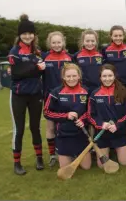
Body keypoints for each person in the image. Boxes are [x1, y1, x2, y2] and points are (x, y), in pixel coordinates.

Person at [9, 14, 46, 175]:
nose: (27, 36)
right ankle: (17, 163)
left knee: (35, 127)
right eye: (24, 33)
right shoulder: (14, 52)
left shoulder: (37, 51)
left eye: (30, 33)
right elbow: (16, 73)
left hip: (35, 94)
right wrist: (35, 69)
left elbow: (40, 70)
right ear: (20, 35)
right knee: (19, 129)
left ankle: (39, 158)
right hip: (18, 95)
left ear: (34, 35)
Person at [43, 63, 91, 170]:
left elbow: (91, 111)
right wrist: (66, 116)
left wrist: (83, 119)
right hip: (63, 135)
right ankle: (65, 154)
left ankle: (78, 154)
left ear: (79, 76)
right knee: (65, 168)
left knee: (86, 167)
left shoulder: (86, 91)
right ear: (63, 77)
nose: (71, 79)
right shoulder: (56, 92)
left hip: (81, 134)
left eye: (74, 76)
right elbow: (46, 112)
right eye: (68, 76)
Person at [88, 64, 126, 167]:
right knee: (101, 166)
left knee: (124, 163)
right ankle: (107, 151)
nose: (107, 79)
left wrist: (117, 125)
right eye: (104, 76)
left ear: (115, 76)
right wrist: (101, 124)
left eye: (110, 76)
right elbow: (90, 115)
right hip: (102, 134)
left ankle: (117, 149)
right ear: (100, 77)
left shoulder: (123, 92)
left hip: (119, 133)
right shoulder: (95, 94)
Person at [41, 31, 73, 167]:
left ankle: (69, 150)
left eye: (59, 42)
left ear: (63, 43)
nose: (56, 45)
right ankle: (53, 154)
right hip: (50, 97)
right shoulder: (43, 57)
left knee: (68, 124)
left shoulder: (70, 58)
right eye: (54, 42)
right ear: (50, 43)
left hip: (67, 96)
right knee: (51, 127)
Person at [73, 29, 104, 95]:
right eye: (87, 41)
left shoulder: (100, 55)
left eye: (92, 41)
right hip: (82, 89)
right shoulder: (76, 56)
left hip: (98, 88)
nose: (90, 43)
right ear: (83, 42)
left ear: (96, 42)